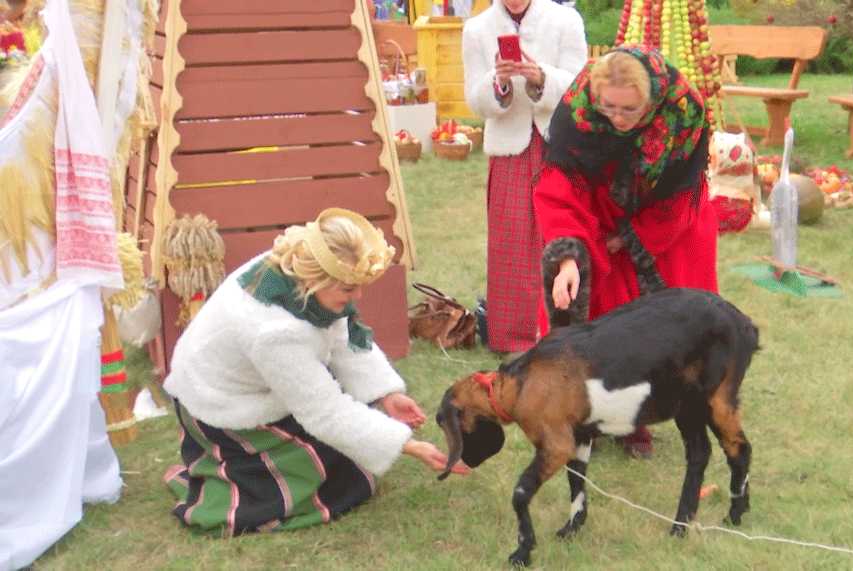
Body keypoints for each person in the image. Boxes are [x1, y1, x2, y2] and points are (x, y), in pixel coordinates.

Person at [162, 208, 470, 537]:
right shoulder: (272, 332)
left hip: (264, 385)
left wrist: (386, 393)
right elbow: (325, 413)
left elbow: (340, 331)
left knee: (347, 455)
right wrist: (407, 445)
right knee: (319, 480)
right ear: (314, 281)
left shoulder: (296, 267)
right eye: (348, 290)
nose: (358, 297)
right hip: (220, 406)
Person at [533, 46, 718, 458]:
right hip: (598, 209)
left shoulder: (684, 110)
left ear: (651, 99)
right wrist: (568, 255)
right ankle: (583, 414)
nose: (616, 118)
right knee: (596, 312)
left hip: (668, 216)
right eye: (608, 107)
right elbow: (559, 188)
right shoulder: (577, 110)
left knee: (657, 326)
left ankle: (639, 419)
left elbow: (684, 188)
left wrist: (637, 237)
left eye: (629, 110)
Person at [461, 0, 587, 354]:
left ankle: (565, 331)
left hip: (559, 145)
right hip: (509, 150)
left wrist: (541, 76)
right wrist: (498, 81)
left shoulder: (566, 20)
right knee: (511, 241)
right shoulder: (477, 29)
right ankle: (512, 336)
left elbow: (581, 88)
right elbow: (474, 99)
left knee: (562, 236)